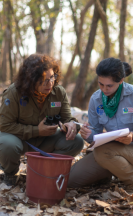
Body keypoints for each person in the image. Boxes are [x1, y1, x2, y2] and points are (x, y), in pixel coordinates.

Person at [68, 57, 133, 192]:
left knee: (103, 152)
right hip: (108, 150)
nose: (104, 89)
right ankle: (109, 173)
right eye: (101, 84)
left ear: (121, 80)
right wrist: (87, 134)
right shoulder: (96, 99)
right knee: (70, 180)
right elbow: (95, 133)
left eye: (109, 85)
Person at [0, 54, 84, 186]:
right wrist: (36, 130)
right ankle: (11, 173)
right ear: (30, 80)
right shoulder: (14, 92)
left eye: (52, 77)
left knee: (77, 141)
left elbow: (68, 117)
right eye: (43, 80)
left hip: (46, 140)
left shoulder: (58, 92)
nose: (49, 83)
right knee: (7, 144)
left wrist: (71, 125)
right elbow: (4, 126)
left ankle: (44, 170)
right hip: (19, 140)